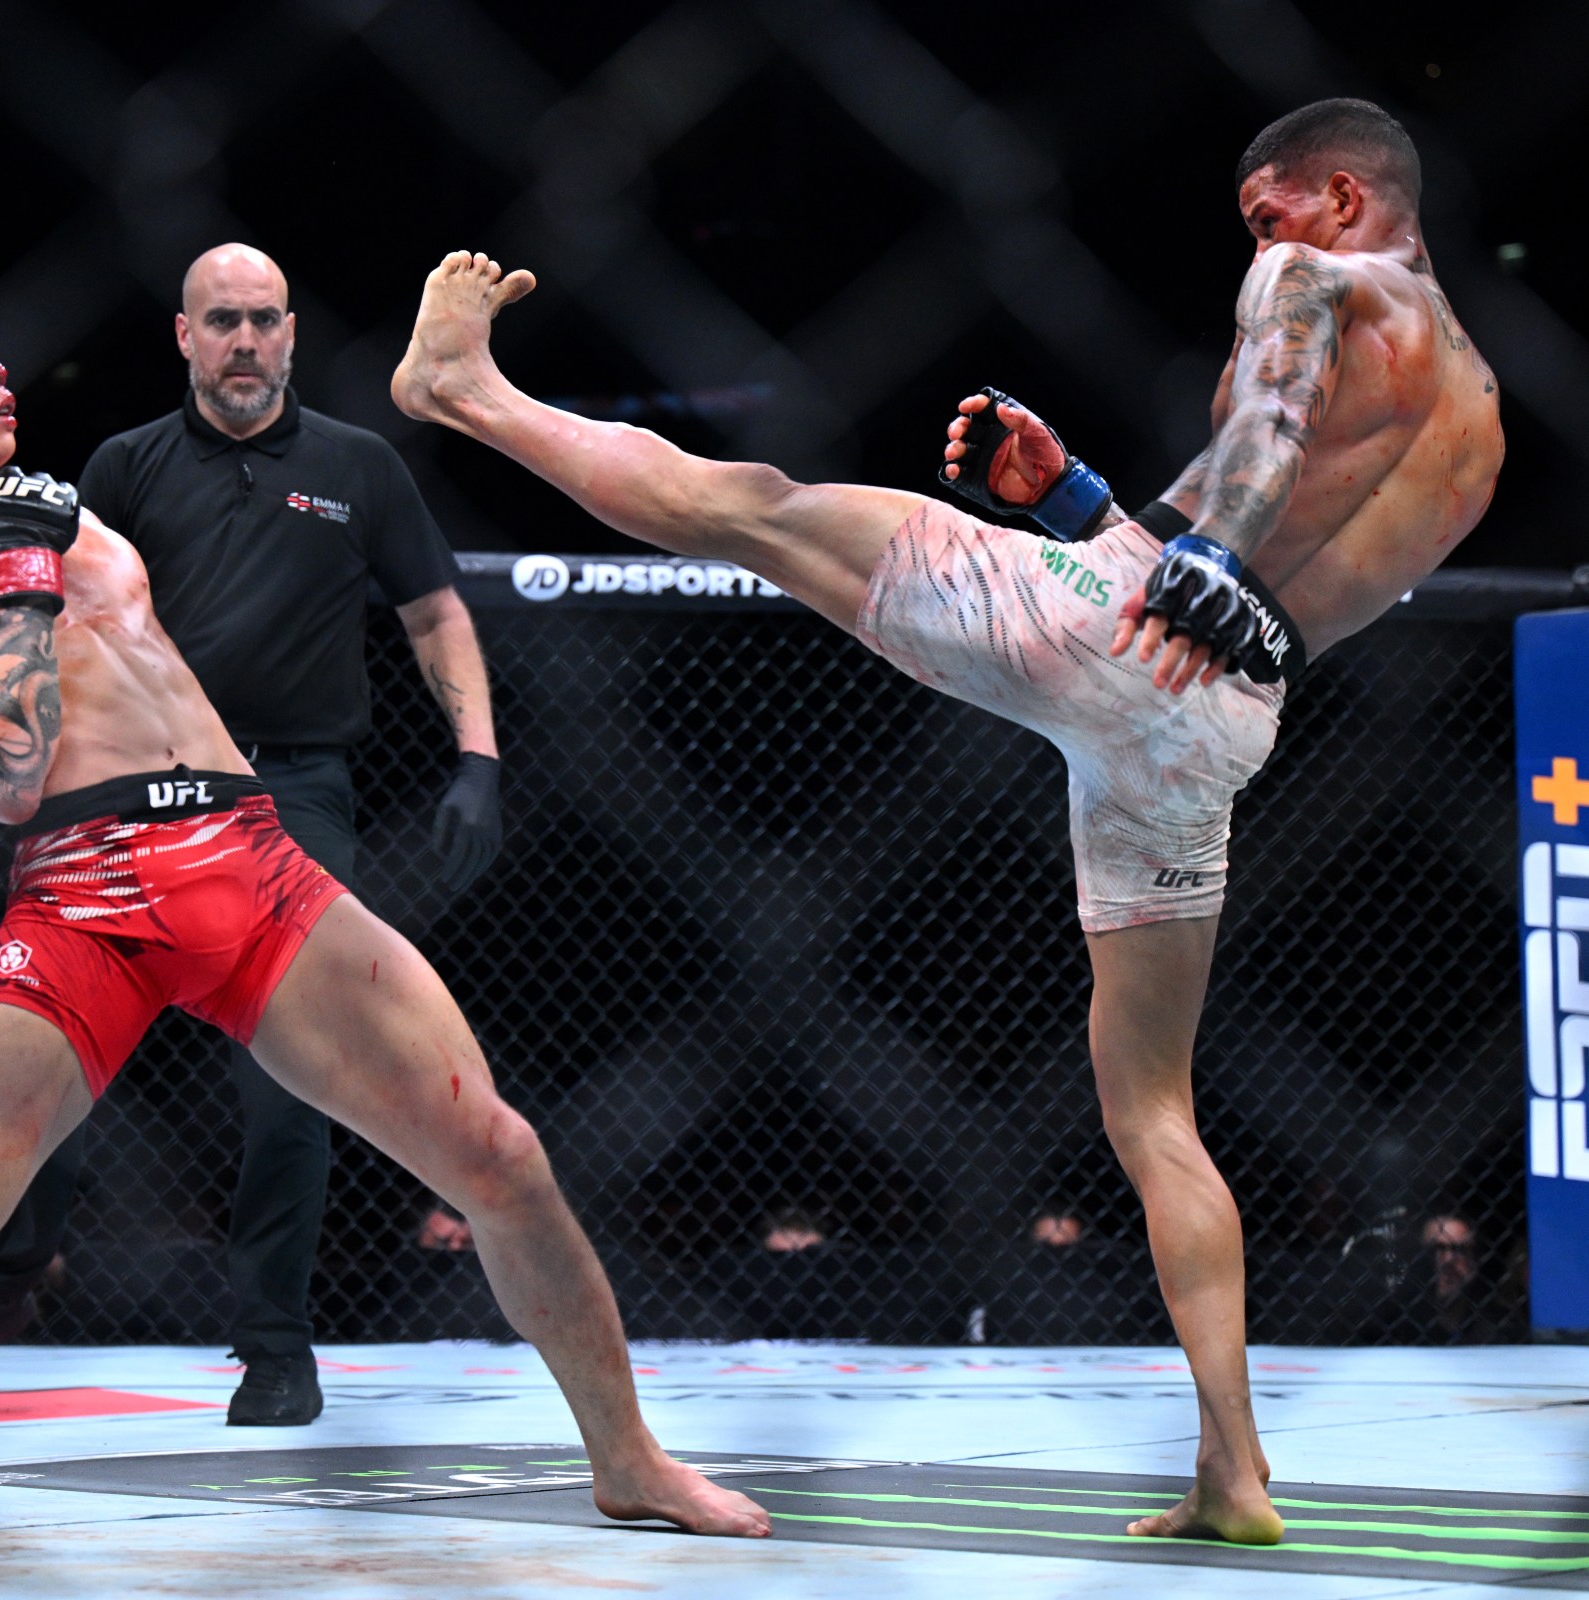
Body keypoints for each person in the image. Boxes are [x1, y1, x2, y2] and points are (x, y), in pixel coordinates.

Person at [387, 97, 1503, 1545]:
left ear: (1345, 196)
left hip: (1133, 635)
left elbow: (1270, 429)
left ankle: (464, 393)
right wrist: (1087, 503)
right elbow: (1278, 562)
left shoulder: (1318, 279)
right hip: (1220, 726)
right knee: (1153, 1109)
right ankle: (1235, 1474)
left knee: (763, 507)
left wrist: (1205, 544)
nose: (1261, 244)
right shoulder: (1477, 415)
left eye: (1270, 213)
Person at [0, 272, 766, 1539]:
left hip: (250, 857)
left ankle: (628, 1459)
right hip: (86, 891)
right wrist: (18, 580)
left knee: (499, 1154)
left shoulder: (67, 502)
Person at [0, 243, 504, 1427]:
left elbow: (435, 610)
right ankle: (3, 1274)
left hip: (297, 796)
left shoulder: (359, 465)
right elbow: (50, 615)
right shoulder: (123, 468)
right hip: (134, 792)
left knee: (300, 1080)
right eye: (221, 320)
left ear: (292, 332)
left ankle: (277, 1345)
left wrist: (478, 758)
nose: (244, 341)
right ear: (184, 335)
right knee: (57, 1053)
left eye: (264, 320)